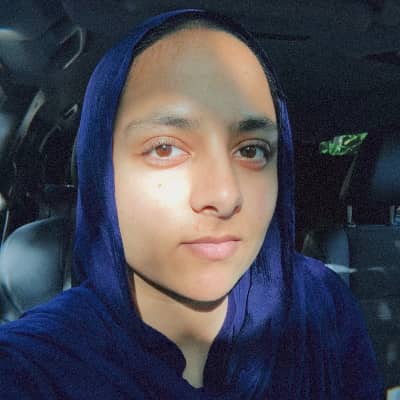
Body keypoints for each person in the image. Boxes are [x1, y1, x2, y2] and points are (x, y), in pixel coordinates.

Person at [0, 8, 383, 399]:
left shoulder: (321, 301)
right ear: (101, 171)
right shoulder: (31, 365)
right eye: (165, 148)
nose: (225, 196)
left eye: (251, 150)